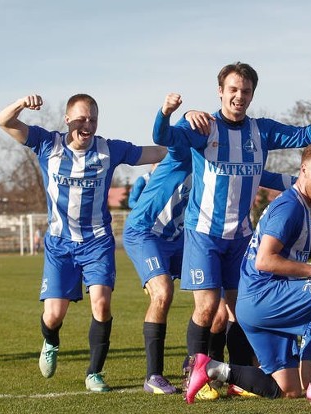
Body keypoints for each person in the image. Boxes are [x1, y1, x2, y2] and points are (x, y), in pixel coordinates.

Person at [152, 62, 311, 383]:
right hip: (203, 234)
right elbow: (162, 136)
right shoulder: (204, 127)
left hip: (240, 237)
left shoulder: (261, 130)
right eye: (233, 90)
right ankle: (195, 374)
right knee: (208, 307)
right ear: (221, 92)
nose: (239, 96)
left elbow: (307, 135)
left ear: (253, 94)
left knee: (240, 309)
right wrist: (168, 112)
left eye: (246, 91)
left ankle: (237, 374)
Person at [0, 93, 166, 392]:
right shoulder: (47, 143)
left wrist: (189, 145)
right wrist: (23, 103)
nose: (87, 125)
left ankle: (94, 373)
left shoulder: (109, 150)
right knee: (53, 315)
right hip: (59, 244)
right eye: (81, 119)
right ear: (67, 120)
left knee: (101, 304)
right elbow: (4, 121)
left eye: (93, 120)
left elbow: (153, 153)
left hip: (97, 241)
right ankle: (50, 341)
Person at [184, 143, 311, 405]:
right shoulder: (290, 207)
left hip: (255, 302)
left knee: (288, 388)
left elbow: (283, 260)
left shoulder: (300, 206)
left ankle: (211, 368)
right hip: (264, 297)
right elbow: (265, 260)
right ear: (303, 170)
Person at [124, 127, 294, 396]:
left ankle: (216, 372)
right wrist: (183, 115)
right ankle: (154, 375)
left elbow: (263, 176)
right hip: (147, 234)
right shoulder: (181, 155)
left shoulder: (217, 166)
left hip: (186, 238)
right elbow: (165, 135)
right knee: (163, 292)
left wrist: (304, 181)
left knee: (223, 307)